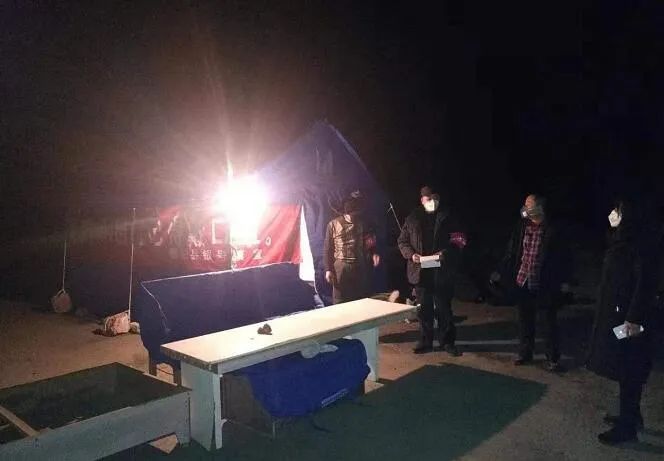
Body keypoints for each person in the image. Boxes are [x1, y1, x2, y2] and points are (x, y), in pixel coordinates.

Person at [586, 197, 658, 445]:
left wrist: (633, 320)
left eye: (617, 211)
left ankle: (627, 428)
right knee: (624, 365)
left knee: (630, 368)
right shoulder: (622, 240)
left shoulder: (641, 244)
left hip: (630, 320)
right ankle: (631, 416)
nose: (612, 214)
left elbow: (645, 285)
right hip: (619, 315)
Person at [494, 194, 570, 371]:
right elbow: (512, 251)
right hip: (523, 279)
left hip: (544, 282)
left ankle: (553, 358)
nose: (525, 208)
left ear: (539, 208)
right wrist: (500, 271)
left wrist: (564, 280)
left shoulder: (552, 230)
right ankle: (525, 353)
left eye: (529, 205)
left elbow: (563, 257)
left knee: (548, 322)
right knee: (524, 320)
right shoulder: (522, 226)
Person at [397, 186, 466, 355]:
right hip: (420, 269)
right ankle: (425, 341)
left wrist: (446, 253)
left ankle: (447, 342)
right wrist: (411, 255)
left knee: (444, 308)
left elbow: (459, 240)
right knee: (424, 309)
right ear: (422, 200)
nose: (432, 203)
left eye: (435, 199)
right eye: (428, 199)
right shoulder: (412, 218)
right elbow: (402, 241)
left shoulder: (448, 216)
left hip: (441, 269)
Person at [323, 194, 380, 304]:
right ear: (346, 213)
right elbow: (327, 249)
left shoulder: (362, 223)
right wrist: (328, 269)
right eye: (351, 214)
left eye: (356, 214)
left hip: (359, 266)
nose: (354, 217)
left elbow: (370, 242)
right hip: (341, 267)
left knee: (360, 299)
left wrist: (374, 253)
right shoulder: (333, 225)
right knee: (340, 301)